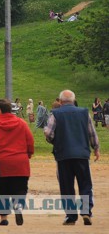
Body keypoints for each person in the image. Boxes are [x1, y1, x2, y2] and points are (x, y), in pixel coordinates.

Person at [44, 89, 100, 225]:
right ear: (73, 101)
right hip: (82, 154)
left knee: (67, 186)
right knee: (85, 184)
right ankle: (86, 211)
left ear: (61, 101)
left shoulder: (55, 113)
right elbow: (91, 132)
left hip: (63, 155)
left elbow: (48, 133)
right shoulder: (84, 113)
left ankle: (71, 216)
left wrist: (55, 142)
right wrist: (96, 148)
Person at [0, 98, 35, 226]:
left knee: (1, 191)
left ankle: (4, 218)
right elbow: (30, 141)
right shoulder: (22, 123)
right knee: (20, 188)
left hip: (1, 164)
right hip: (20, 163)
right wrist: (28, 154)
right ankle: (18, 206)